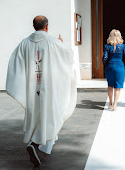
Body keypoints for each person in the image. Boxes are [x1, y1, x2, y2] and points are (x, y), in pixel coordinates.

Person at [6, 15, 77, 166]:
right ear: (47, 26)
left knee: (38, 115)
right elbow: (68, 57)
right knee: (52, 116)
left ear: (34, 26)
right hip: (49, 89)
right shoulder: (53, 42)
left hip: (33, 89)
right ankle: (38, 146)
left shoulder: (24, 43)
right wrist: (61, 45)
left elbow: (14, 62)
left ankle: (37, 144)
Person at [102, 29, 125, 111]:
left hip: (110, 67)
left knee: (110, 85)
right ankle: (115, 105)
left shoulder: (107, 46)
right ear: (119, 36)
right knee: (117, 86)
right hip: (119, 67)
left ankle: (110, 103)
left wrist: (104, 64)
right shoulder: (122, 46)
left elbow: (105, 57)